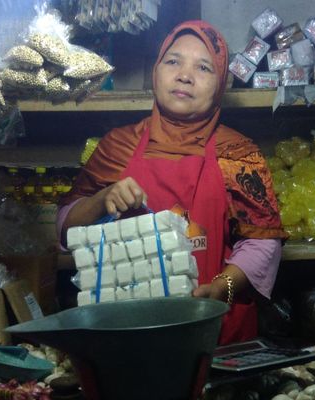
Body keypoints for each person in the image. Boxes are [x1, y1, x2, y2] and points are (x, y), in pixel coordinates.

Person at [58, 20, 286, 345]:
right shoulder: (117, 146)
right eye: (173, 61)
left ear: (220, 83)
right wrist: (101, 199)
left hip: (215, 336)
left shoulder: (238, 154)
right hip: (125, 334)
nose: (184, 75)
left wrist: (222, 288)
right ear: (156, 70)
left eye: (204, 67)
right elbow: (66, 230)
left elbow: (263, 242)